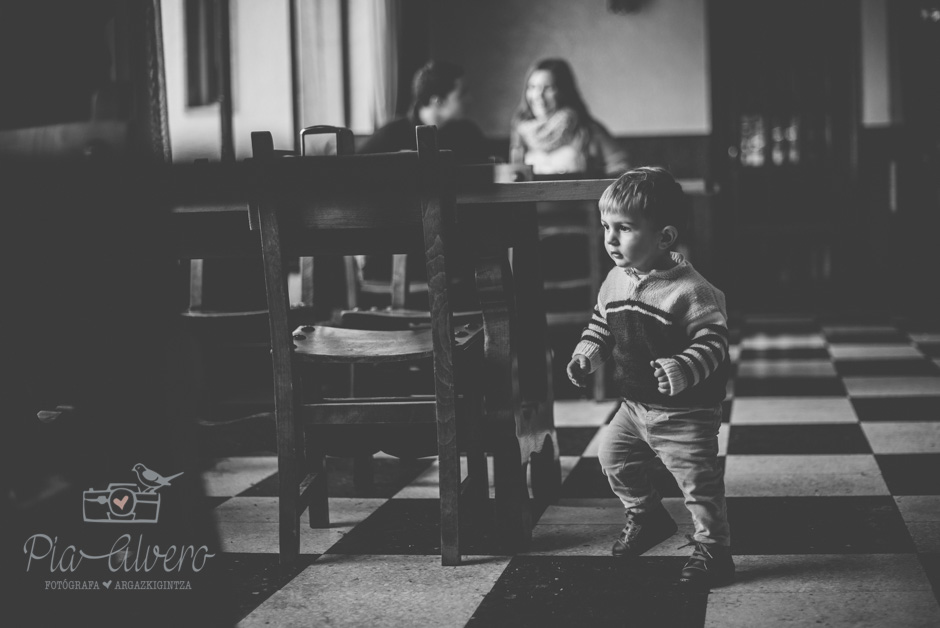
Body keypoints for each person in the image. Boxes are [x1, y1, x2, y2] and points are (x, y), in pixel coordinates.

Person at [566, 167, 733, 587]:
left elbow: (715, 344)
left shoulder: (692, 291)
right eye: (605, 226)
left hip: (686, 410)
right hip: (635, 406)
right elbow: (601, 326)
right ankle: (647, 516)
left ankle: (715, 550)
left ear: (664, 238)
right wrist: (587, 355)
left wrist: (682, 367)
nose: (610, 238)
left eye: (624, 228)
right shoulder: (614, 280)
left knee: (698, 484)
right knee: (612, 458)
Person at [510, 58, 629, 177]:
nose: (538, 95)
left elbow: (621, 167)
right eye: (532, 87)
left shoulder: (588, 129)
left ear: (563, 91)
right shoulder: (521, 131)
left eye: (548, 88)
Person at [360, 60, 489, 163]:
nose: (470, 99)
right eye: (462, 94)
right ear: (438, 101)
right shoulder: (390, 136)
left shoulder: (469, 134)